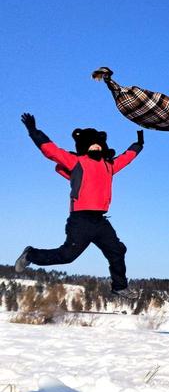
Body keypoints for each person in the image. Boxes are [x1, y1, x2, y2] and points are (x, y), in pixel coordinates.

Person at [15, 114, 143, 299]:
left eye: (99, 144)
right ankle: (30, 255)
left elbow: (126, 158)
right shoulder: (77, 162)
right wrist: (34, 132)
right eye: (92, 144)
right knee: (67, 256)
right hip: (81, 220)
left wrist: (138, 145)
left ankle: (120, 286)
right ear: (84, 147)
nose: (97, 147)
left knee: (117, 250)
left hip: (100, 221)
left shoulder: (109, 165)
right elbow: (51, 151)